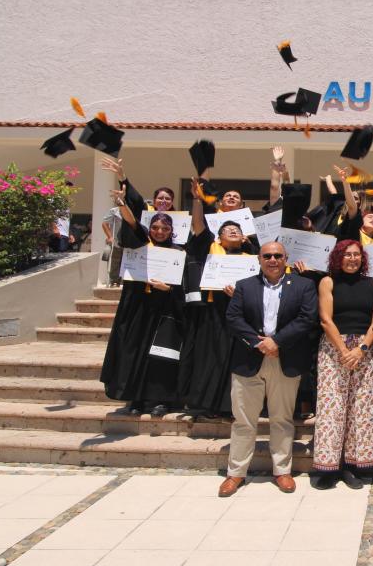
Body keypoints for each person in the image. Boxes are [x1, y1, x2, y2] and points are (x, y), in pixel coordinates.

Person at [218, 241, 319, 497]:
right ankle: (236, 473)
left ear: (286, 259)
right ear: (259, 259)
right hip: (249, 359)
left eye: (277, 256)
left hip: (285, 359)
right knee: (243, 421)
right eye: (267, 256)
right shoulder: (245, 286)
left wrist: (278, 342)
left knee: (282, 419)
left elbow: (307, 318)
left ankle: (282, 470)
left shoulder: (303, 285)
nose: (272, 260)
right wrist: (257, 342)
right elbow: (233, 318)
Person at [99, 188, 185, 418]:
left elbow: (183, 285)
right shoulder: (139, 246)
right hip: (139, 309)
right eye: (155, 227)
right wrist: (122, 204)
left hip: (165, 311)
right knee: (134, 352)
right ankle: (136, 398)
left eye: (165, 228)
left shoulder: (178, 253)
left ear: (171, 231)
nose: (159, 231)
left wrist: (168, 289)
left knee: (161, 356)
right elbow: (133, 224)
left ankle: (161, 400)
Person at [179, 177, 257, 417]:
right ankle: (205, 404)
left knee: (234, 359)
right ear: (219, 236)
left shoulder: (251, 255)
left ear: (244, 236)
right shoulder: (209, 247)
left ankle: (229, 407)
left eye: (237, 230)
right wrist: (197, 199)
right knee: (211, 356)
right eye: (227, 230)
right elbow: (199, 224)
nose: (232, 231)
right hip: (213, 310)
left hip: (242, 313)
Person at [312, 240, 373, 489]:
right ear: (337, 258)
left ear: (362, 258)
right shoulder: (328, 282)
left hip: (364, 348)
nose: (351, 259)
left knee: (361, 407)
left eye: (356, 255)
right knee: (332, 407)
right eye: (346, 255)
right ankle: (330, 467)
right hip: (334, 348)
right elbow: (325, 319)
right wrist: (344, 350)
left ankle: (353, 466)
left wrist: (361, 349)